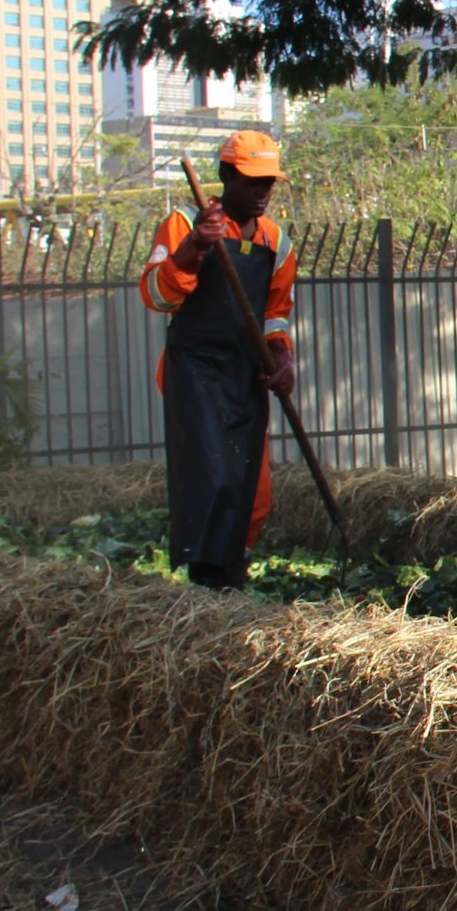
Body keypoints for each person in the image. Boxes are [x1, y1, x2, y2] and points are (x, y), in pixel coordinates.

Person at [137, 130, 296, 588]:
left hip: (244, 375)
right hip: (195, 375)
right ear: (226, 175)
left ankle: (232, 570)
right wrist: (193, 251)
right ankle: (206, 579)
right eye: (252, 181)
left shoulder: (275, 242)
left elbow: (274, 315)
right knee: (213, 476)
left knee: (252, 487)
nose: (263, 191)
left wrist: (281, 359)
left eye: (269, 182)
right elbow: (155, 296)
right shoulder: (185, 224)